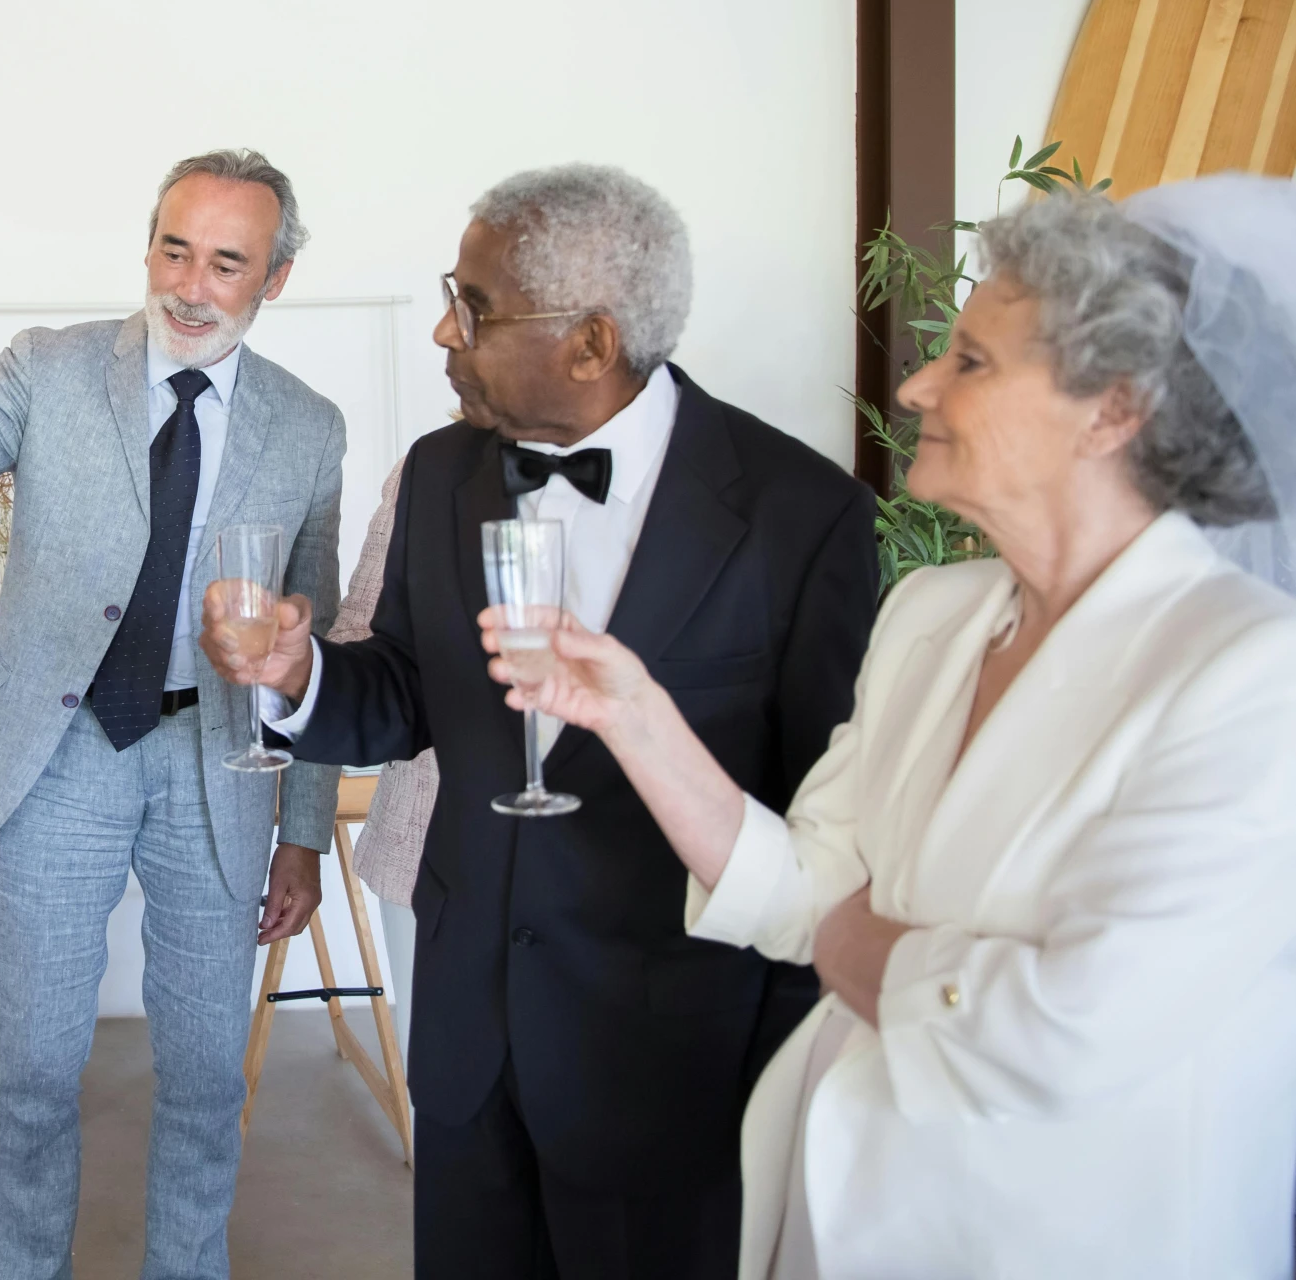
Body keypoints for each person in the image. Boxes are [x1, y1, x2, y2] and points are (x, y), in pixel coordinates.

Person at [486, 180, 1296, 1279]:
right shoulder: (935, 614)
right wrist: (635, 718)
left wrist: (859, 943)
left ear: (1113, 409)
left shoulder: (1250, 672)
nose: (917, 383)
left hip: (1054, 1238)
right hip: (835, 1212)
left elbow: (1064, 1034)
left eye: (970, 360)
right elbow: (807, 884)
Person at [209, 164, 878, 1279]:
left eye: (472, 305)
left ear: (591, 342)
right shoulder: (441, 472)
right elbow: (409, 689)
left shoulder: (800, 516)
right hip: (472, 1049)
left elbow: (825, 827)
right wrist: (301, 674)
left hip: (677, 1074)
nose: (442, 327)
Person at [0, 149, 346, 1280]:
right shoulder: (50, 369)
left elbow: (315, 641)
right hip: (62, 751)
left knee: (204, 1075)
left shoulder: (310, 427)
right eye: (173, 247)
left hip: (221, 758)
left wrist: (301, 830)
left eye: (228, 261)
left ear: (276, 278)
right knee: (38, 1069)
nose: (190, 283)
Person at [335, 457, 434, 1058]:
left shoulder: (696, 468)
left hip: (626, 864)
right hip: (428, 845)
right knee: (447, 1105)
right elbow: (360, 641)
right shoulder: (427, 473)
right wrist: (304, 675)